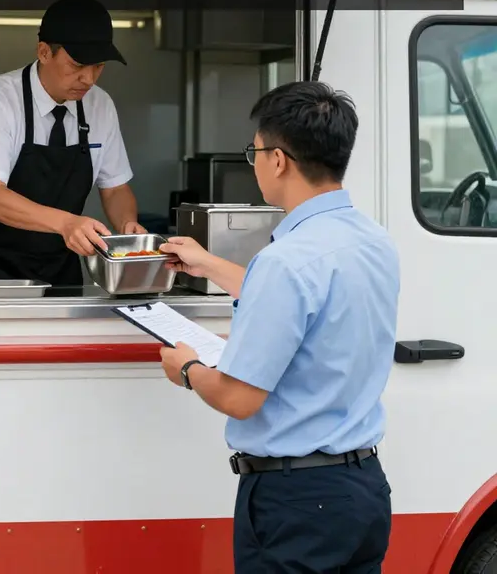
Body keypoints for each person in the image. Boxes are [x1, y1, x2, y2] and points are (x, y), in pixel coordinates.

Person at [158, 81, 400, 573]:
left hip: (296, 502)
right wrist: (209, 264)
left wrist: (187, 369)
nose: (255, 164)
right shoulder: (373, 240)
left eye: (255, 152)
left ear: (278, 160)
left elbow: (238, 398)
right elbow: (307, 300)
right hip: (363, 489)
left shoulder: (285, 262)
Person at [0, 0, 146, 286]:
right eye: (77, 65)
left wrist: (126, 225)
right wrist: (66, 223)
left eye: (98, 66)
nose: (89, 79)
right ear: (44, 52)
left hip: (61, 270)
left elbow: (115, 188)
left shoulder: (100, 105)